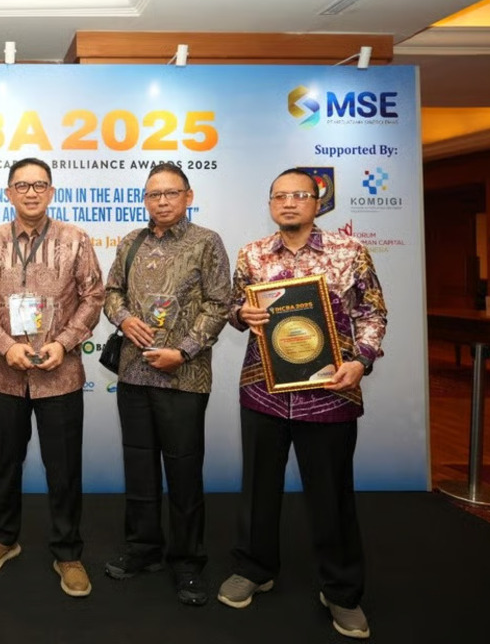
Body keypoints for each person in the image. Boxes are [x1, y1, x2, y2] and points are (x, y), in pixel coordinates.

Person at [217, 168, 387, 640]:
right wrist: (241, 313)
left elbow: (373, 312)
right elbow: (233, 308)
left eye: (299, 195)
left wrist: (362, 360)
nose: (288, 203)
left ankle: (341, 592)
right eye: (279, 196)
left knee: (332, 497)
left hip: (329, 393)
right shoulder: (252, 254)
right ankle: (254, 569)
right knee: (258, 490)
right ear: (270, 203)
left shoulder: (349, 251)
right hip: (263, 392)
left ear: (318, 202)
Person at [0, 157, 106, 598]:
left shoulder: (76, 240)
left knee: (63, 468)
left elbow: (94, 296)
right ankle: (3, 538)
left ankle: (68, 553)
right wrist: (6, 345)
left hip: (60, 374)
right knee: (5, 461)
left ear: (51, 192)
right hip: (5, 374)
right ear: (8, 193)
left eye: (39, 185)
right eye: (22, 185)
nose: (31, 192)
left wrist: (64, 342)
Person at [102, 162, 230, 606]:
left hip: (183, 376)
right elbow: (111, 292)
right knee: (139, 468)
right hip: (134, 374)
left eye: (170, 193)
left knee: (183, 471)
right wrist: (124, 319)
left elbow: (220, 303)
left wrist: (185, 350)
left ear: (188, 197)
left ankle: (188, 562)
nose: (161, 201)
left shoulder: (206, 242)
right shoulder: (130, 242)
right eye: (153, 194)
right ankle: (143, 548)